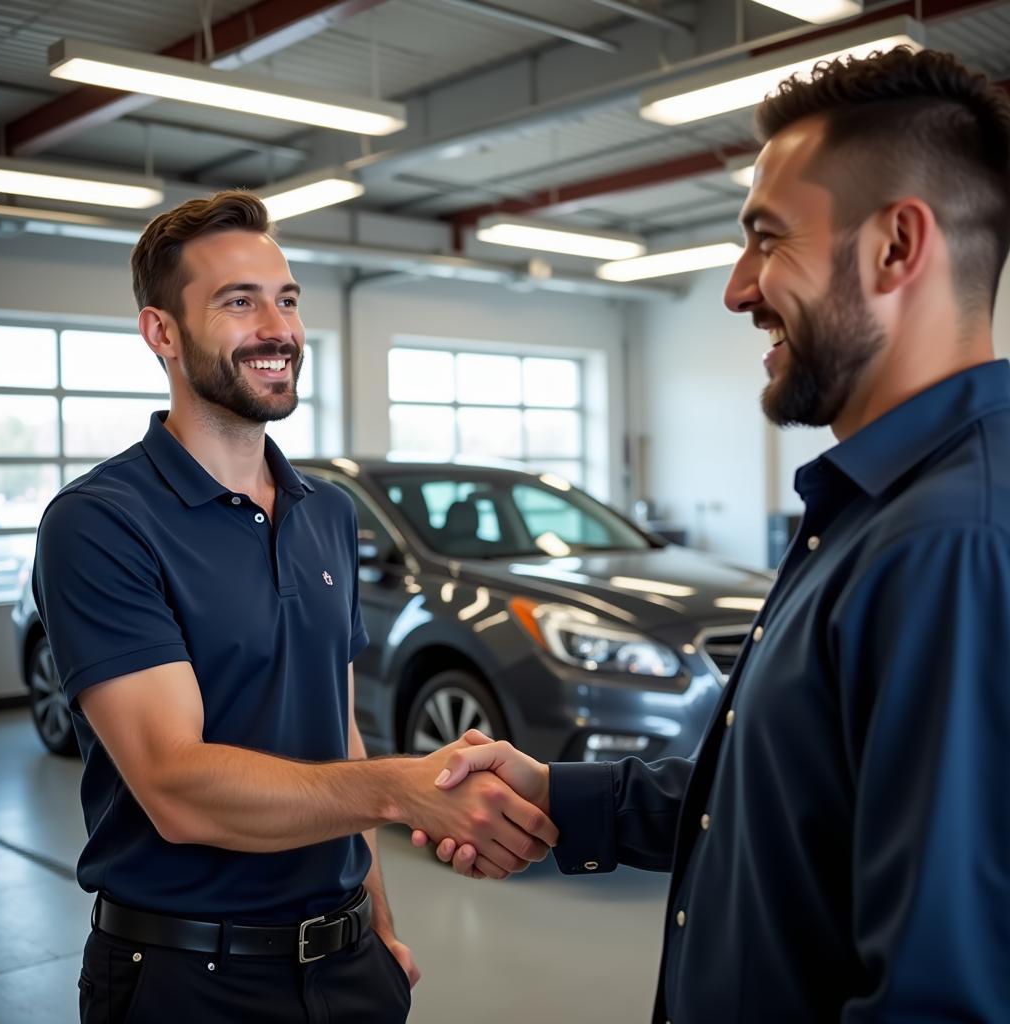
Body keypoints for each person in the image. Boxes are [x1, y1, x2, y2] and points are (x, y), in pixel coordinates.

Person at [416, 46, 1010, 1021]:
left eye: (767, 239)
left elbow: (939, 996)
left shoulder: (949, 545)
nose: (737, 289)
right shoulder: (870, 511)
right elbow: (787, 799)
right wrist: (556, 797)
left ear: (897, 248)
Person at [33, 191, 557, 1024]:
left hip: (347, 962)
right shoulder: (101, 522)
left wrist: (379, 923)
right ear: (162, 333)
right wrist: (403, 789)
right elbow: (177, 787)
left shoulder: (326, 512)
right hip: (188, 975)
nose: (277, 328)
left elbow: (339, 735)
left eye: (286, 299)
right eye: (237, 302)